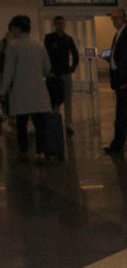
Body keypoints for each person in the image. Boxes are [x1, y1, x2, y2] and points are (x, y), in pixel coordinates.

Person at [0, 15, 52, 163]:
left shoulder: (13, 45)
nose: (12, 32)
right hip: (38, 91)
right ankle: (41, 153)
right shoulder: (38, 44)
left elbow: (8, 72)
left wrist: (2, 91)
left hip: (20, 92)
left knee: (21, 125)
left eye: (12, 29)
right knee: (39, 124)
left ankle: (23, 152)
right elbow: (47, 67)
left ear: (17, 28)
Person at [103, 7, 127, 154]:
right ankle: (117, 143)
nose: (114, 21)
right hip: (119, 80)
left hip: (125, 81)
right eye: (113, 18)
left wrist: (123, 76)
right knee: (122, 114)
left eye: (117, 18)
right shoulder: (118, 34)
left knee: (124, 115)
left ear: (124, 18)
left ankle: (118, 144)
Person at [44, 15, 79, 137]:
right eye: (58, 23)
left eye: (62, 23)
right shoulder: (49, 38)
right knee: (55, 100)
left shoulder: (68, 39)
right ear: (54, 24)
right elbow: (45, 55)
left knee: (67, 99)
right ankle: (56, 122)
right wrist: (48, 71)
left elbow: (75, 54)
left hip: (65, 73)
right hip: (54, 74)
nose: (60, 26)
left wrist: (72, 67)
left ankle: (68, 124)